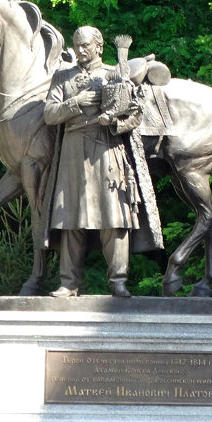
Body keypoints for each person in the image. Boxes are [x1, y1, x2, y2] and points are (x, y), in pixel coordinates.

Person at [42, 26, 153, 298]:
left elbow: (135, 115)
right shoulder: (62, 77)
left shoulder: (114, 74)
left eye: (86, 45)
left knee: (114, 216)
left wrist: (114, 120)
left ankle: (118, 281)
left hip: (106, 149)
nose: (80, 50)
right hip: (72, 152)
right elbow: (48, 114)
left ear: (99, 47)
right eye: (77, 45)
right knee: (70, 216)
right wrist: (75, 103)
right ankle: (69, 283)